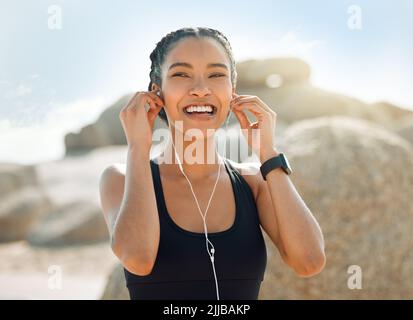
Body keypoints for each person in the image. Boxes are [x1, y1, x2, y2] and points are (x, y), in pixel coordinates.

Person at [99, 27, 326, 300]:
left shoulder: (254, 182)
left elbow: (309, 261)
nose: (201, 90)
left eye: (217, 75)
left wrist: (268, 152)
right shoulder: (120, 179)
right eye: (181, 74)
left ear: (232, 92)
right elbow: (138, 258)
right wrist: (138, 148)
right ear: (156, 93)